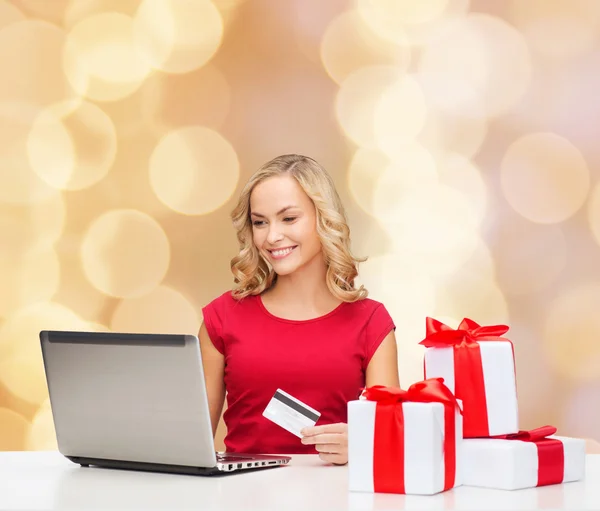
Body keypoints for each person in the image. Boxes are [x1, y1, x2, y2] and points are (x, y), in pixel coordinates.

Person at [199, 154, 399, 465]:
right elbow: (192, 444)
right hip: (243, 498)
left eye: (289, 218)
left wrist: (365, 443)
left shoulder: (371, 322)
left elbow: (391, 442)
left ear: (324, 219)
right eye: (260, 222)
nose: (272, 236)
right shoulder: (221, 318)